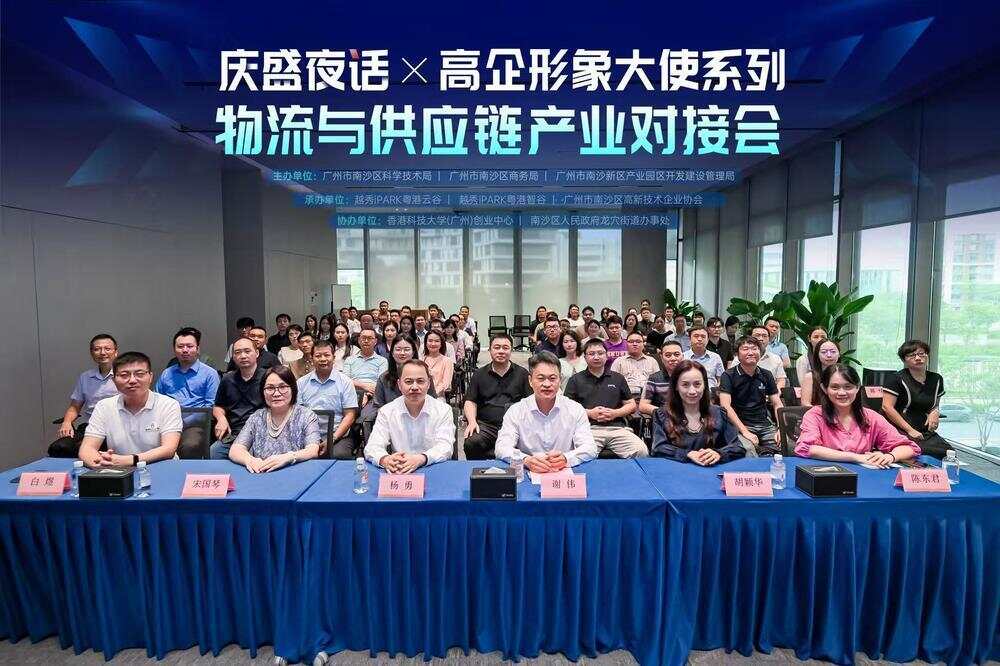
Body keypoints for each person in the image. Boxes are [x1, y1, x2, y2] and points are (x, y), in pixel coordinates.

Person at [795, 364, 920, 466]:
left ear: (857, 387)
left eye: (848, 387)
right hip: (826, 476)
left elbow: (909, 448)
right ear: (824, 388)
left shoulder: (870, 416)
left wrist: (890, 456)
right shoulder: (814, 415)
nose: (842, 393)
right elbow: (807, 448)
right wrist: (857, 458)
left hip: (864, 477)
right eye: (835, 387)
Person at [495, 352, 599, 470]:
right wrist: (525, 460)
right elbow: (502, 447)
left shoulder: (575, 409)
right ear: (530, 380)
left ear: (560, 380)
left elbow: (590, 447)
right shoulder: (516, 411)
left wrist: (566, 458)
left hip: (564, 472)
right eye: (541, 378)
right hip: (529, 472)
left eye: (552, 378)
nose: (547, 384)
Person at [78, 352, 182, 468]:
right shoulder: (104, 406)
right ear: (114, 380)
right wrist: (101, 465)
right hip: (119, 471)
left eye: (139, 374)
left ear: (150, 377)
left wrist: (131, 460)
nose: (132, 380)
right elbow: (87, 448)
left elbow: (168, 449)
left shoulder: (168, 405)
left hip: (162, 467)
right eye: (124, 375)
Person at [364, 360, 455, 471]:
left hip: (432, 467)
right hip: (399, 470)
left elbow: (445, 446)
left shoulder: (443, 410)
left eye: (420, 381)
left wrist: (420, 459)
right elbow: (372, 446)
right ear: (399, 385)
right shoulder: (387, 411)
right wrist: (385, 459)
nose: (414, 387)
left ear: (428, 384)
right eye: (408, 381)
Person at [563, 339, 648, 458]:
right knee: (579, 456)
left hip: (618, 429)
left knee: (641, 451)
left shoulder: (618, 378)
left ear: (606, 355)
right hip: (588, 429)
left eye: (600, 353)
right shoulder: (575, 380)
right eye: (591, 354)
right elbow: (567, 408)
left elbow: (631, 405)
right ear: (585, 357)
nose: (596, 357)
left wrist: (615, 413)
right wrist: (589, 413)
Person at [228, 366, 321, 472]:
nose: (276, 393)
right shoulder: (256, 417)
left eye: (283, 387)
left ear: (293, 389)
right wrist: (250, 460)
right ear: (262, 392)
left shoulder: (306, 415)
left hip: (296, 472)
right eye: (270, 388)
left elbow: (312, 450)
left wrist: (288, 457)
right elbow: (235, 450)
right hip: (262, 474)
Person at [651, 361, 744, 464]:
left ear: (704, 385)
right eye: (685, 385)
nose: (692, 391)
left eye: (697, 384)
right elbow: (658, 448)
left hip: (712, 470)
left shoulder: (719, 413)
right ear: (676, 386)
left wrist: (719, 453)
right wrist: (687, 454)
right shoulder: (662, 415)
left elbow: (737, 447)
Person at [48, 334, 120, 457]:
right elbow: (74, 407)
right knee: (58, 448)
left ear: (116, 352)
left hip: (117, 427)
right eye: (97, 349)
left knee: (106, 447)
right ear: (92, 353)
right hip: (91, 426)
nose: (102, 353)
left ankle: (89, 451)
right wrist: (66, 422)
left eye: (107, 349)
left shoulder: (124, 375)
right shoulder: (85, 377)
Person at [463, 333, 532, 459]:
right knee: (472, 442)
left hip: (515, 427)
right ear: (490, 350)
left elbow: (531, 401)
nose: (501, 351)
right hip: (486, 426)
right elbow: (470, 401)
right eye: (497, 347)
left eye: (505, 348)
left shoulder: (522, 374)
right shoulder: (479, 374)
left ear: (511, 350)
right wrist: (472, 422)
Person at [154, 327, 220, 459]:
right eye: (180, 346)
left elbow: (210, 405)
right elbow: (157, 398)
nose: (185, 350)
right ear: (174, 350)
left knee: (190, 445)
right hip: (167, 423)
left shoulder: (209, 374)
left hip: (194, 425)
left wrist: (182, 421)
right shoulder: (167, 373)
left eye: (189, 346)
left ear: (197, 349)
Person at [361, 336, 439, 441]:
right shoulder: (384, 378)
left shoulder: (424, 375)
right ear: (392, 353)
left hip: (422, 422)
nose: (402, 353)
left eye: (406, 349)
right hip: (392, 425)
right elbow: (377, 405)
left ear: (413, 352)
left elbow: (432, 401)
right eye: (398, 349)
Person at [881, 340, 948, 459]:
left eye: (922, 354)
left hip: (923, 429)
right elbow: (887, 407)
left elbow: (935, 404)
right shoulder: (896, 379)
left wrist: (935, 412)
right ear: (904, 360)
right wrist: (910, 430)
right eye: (912, 355)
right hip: (900, 428)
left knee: (947, 453)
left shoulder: (936, 379)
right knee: (919, 452)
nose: (918, 358)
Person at [719, 335, 784, 457]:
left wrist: (781, 429)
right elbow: (725, 405)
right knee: (748, 450)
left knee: (784, 446)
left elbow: (777, 403)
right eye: (745, 349)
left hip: (765, 425)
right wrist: (745, 431)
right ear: (737, 354)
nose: (751, 352)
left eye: (754, 349)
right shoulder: (728, 375)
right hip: (740, 426)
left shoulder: (766, 374)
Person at [296, 339, 359, 459]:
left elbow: (350, 415)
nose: (323, 359)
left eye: (327, 355)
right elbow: (298, 414)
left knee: (338, 455)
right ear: (312, 358)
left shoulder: (345, 382)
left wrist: (332, 439)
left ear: (333, 358)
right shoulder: (301, 383)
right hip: (308, 435)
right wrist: (311, 440)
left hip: (338, 435)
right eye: (318, 356)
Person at [211, 337, 266, 459]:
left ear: (257, 353)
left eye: (247, 351)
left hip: (261, 433)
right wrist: (221, 418)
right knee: (215, 451)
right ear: (234, 357)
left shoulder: (268, 377)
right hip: (235, 433)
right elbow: (218, 406)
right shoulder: (227, 379)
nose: (243, 356)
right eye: (238, 352)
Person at [343, 329, 389, 407]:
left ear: (375, 341)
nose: (366, 341)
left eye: (370, 338)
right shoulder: (349, 360)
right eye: (363, 338)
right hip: (352, 393)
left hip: (374, 395)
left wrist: (367, 394)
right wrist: (364, 387)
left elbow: (381, 382)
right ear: (359, 340)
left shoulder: (382, 361)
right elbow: (345, 381)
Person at [639, 340, 684, 416]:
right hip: (664, 419)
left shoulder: (692, 376)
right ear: (662, 358)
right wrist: (664, 412)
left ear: (683, 356)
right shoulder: (654, 379)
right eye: (668, 355)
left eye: (677, 354)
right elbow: (643, 406)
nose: (673, 358)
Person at [611, 331, 660, 396]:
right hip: (626, 397)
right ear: (626, 344)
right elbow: (612, 384)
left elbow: (658, 383)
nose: (634, 344)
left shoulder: (652, 361)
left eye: (638, 341)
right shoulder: (618, 361)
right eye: (631, 342)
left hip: (648, 397)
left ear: (643, 344)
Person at [682, 326, 726, 391]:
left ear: (708, 340)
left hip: (711, 394)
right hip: (688, 393)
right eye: (696, 336)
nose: (699, 339)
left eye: (703, 336)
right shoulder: (683, 357)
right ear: (689, 339)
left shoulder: (715, 357)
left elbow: (721, 380)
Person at [801, 339, 842, 407]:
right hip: (817, 412)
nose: (829, 355)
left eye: (833, 351)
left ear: (839, 354)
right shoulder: (810, 377)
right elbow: (805, 404)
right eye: (824, 352)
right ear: (817, 355)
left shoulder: (846, 375)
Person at [422, 330, 454, 401]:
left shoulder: (447, 361)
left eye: (437, 341)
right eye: (430, 341)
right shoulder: (421, 360)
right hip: (420, 395)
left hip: (438, 397)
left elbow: (445, 384)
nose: (433, 344)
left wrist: (431, 395)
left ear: (441, 343)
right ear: (426, 343)